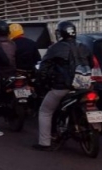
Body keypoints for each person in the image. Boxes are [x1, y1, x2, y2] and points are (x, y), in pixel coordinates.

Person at [34, 21, 92, 151]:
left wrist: (41, 82)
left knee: (45, 111)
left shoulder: (55, 48)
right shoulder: (84, 47)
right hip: (83, 86)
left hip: (62, 87)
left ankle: (44, 143)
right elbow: (91, 64)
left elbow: (44, 67)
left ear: (60, 33)